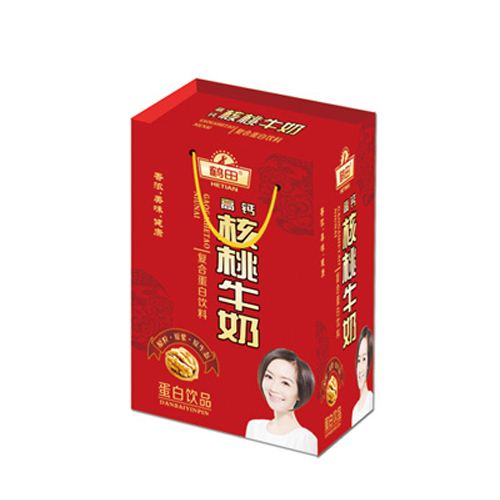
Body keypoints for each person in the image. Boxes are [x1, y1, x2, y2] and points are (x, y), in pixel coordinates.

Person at [246, 348, 318, 455]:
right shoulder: (255, 427)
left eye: (285, 383)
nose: (273, 388)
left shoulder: (305, 439)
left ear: (300, 392)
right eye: (269, 376)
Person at [351, 326, 374, 426]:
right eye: (358, 360)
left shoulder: (371, 399)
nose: (360, 369)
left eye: (364, 359)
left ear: (369, 363)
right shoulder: (355, 410)